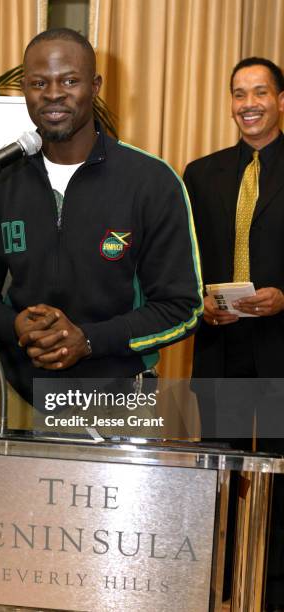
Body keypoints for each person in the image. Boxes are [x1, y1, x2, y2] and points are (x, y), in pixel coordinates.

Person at [0, 28, 203, 416]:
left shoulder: (151, 182)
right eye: (38, 82)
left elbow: (182, 307)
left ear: (95, 85)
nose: (53, 93)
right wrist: (13, 324)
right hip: (20, 399)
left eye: (70, 80)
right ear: (24, 89)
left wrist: (89, 341)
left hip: (120, 398)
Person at [184, 57, 284, 610]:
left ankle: (270, 587)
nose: (249, 103)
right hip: (220, 348)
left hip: (278, 352)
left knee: (275, 475)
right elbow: (184, 258)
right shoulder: (201, 173)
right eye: (239, 93)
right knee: (217, 469)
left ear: (280, 100)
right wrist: (199, 301)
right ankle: (214, 578)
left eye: (260, 92)